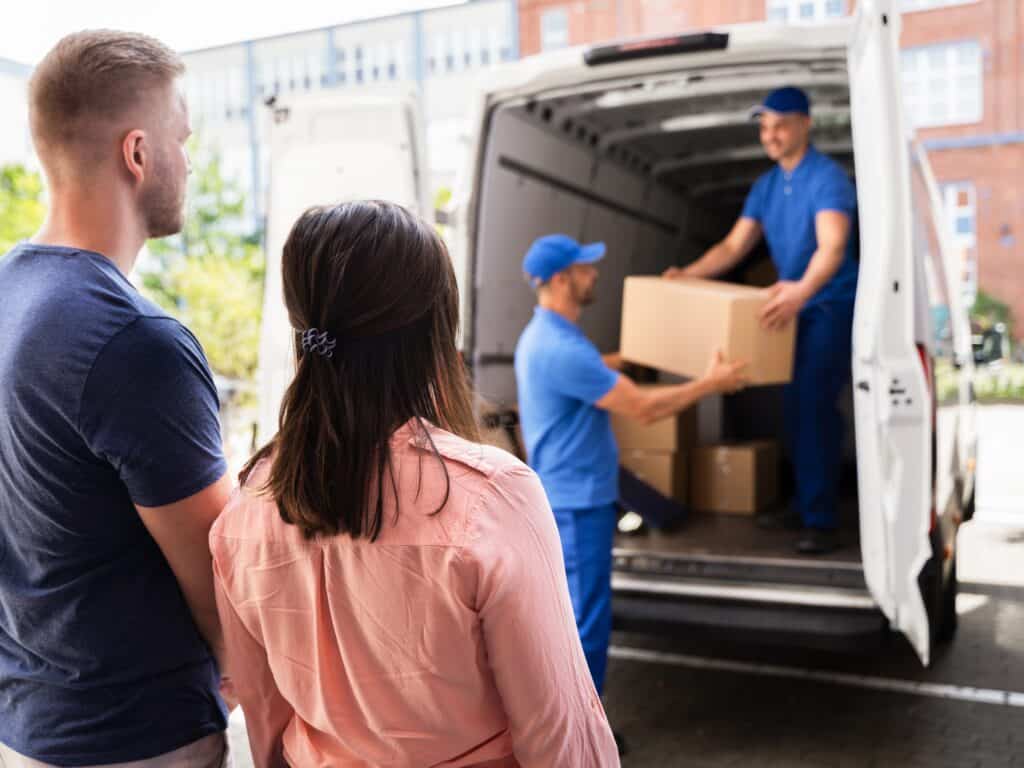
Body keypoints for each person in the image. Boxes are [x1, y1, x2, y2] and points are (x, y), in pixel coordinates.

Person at [210, 201, 619, 768]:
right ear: (433, 333)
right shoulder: (491, 496)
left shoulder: (246, 509)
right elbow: (560, 734)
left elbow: (263, 714)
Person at [0, 32, 231, 767]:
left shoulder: (8, 293)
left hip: (28, 725)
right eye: (181, 138)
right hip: (140, 738)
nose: (189, 160)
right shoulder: (134, 341)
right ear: (138, 153)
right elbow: (222, 583)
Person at [513, 234, 748, 735]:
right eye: (585, 268)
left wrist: (650, 350)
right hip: (577, 502)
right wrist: (711, 384)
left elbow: (598, 367)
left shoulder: (550, 334)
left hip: (573, 492)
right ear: (561, 279)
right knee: (586, 623)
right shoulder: (561, 348)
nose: (595, 274)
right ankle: (581, 734)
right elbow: (643, 407)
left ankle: (572, 724)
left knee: (580, 615)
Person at [664, 86, 859, 555]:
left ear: (805, 124)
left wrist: (803, 291)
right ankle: (802, 502)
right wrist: (684, 275)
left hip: (827, 304)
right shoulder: (767, 187)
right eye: (764, 127)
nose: (770, 135)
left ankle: (822, 519)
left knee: (812, 406)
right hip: (787, 308)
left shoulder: (826, 179)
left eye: (780, 125)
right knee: (791, 409)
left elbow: (832, 245)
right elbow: (734, 248)